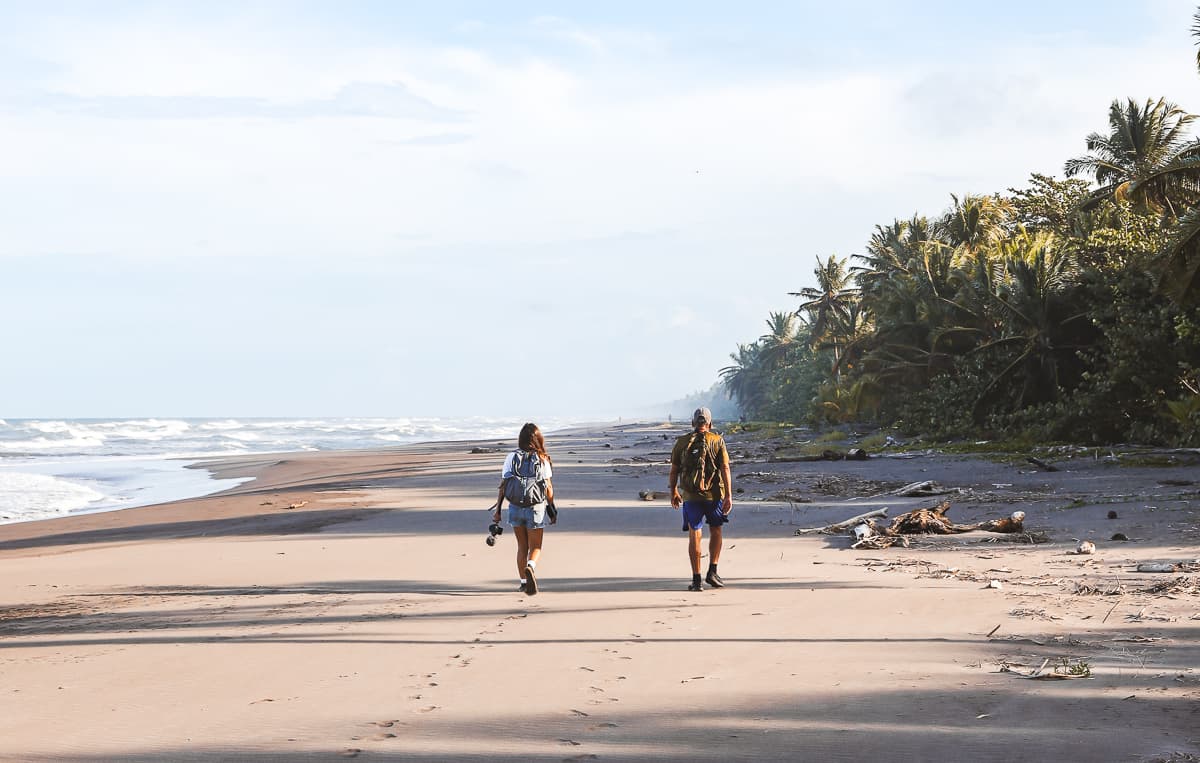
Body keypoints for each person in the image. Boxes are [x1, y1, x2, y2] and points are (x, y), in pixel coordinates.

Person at [669, 407, 732, 591]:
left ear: (693, 423)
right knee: (716, 530)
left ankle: (696, 580)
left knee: (694, 533)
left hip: (691, 496)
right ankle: (712, 571)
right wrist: (728, 495)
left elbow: (674, 470)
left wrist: (674, 491)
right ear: (710, 424)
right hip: (714, 496)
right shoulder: (717, 441)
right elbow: (725, 469)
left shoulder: (682, 442)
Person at [492, 423, 556, 596]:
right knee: (536, 547)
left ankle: (523, 582)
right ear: (538, 439)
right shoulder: (542, 459)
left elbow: (503, 486)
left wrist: (497, 511)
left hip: (515, 507)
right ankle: (531, 566)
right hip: (535, 508)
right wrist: (552, 508)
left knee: (522, 546)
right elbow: (548, 489)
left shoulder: (511, 457)